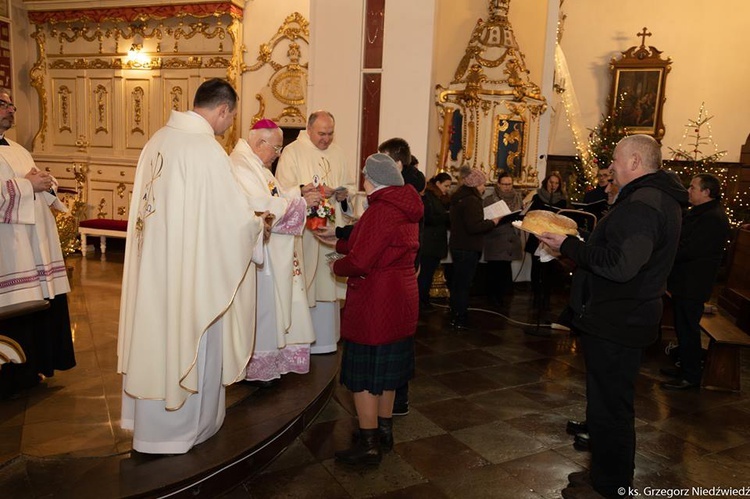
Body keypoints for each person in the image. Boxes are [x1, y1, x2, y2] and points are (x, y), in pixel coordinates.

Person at [117, 78, 266, 454]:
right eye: (229, 118)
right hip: (189, 277)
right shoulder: (205, 149)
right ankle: (185, 430)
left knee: (154, 337)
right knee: (191, 338)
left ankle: (151, 431)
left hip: (155, 268)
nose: (227, 126)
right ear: (222, 109)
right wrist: (257, 224)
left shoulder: (157, 141)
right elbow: (231, 220)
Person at [538, 134, 687, 499]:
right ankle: (604, 477)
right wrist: (581, 243)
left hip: (619, 320)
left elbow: (621, 266)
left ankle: (612, 487)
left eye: (616, 161)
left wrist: (569, 245)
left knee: (611, 411)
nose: (611, 168)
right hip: (624, 317)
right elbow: (622, 251)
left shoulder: (643, 204)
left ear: (635, 162)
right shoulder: (653, 198)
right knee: (605, 407)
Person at [329, 153, 422, 466]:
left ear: (371, 178)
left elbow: (360, 260)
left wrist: (336, 265)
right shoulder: (403, 205)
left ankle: (368, 443)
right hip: (401, 297)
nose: (363, 179)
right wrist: (340, 241)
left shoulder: (382, 210)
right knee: (387, 374)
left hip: (376, 302)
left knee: (366, 375)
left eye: (365, 175)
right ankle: (384, 433)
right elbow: (372, 243)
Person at [229, 119, 322, 387]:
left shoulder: (258, 166)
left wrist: (298, 193)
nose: (278, 154)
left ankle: (270, 360)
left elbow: (275, 193)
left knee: (271, 305)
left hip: (270, 251)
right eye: (277, 148)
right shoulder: (240, 165)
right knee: (262, 307)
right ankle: (257, 364)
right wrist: (300, 204)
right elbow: (260, 206)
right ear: (260, 143)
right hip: (257, 257)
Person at [0, 87, 75, 399]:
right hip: (9, 247)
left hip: (31, 243)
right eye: (3, 104)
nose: (11, 109)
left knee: (37, 306)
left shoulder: (16, 148)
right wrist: (26, 185)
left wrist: (45, 183)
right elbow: (19, 187)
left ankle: (35, 368)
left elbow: (31, 183)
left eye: (11, 104)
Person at [275, 110, 357, 354]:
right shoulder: (292, 152)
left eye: (330, 133)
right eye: (321, 134)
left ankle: (327, 340)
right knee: (309, 281)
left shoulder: (339, 152)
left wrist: (344, 195)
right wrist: (303, 190)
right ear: (309, 130)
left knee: (328, 282)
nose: (326, 139)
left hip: (332, 226)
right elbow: (282, 190)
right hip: (307, 232)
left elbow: (351, 187)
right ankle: (303, 340)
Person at [661, 173, 730, 390]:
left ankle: (691, 376)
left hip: (693, 283)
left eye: (693, 187)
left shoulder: (712, 218)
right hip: (686, 281)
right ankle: (685, 367)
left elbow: (692, 250)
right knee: (682, 327)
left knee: (688, 328)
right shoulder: (701, 213)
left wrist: (667, 253)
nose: (688, 191)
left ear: (706, 192)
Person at [448, 168, 500, 330]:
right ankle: (460, 318)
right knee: (463, 285)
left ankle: (455, 313)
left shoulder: (459, 197)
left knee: (458, 283)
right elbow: (473, 227)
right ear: (476, 184)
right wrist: (493, 222)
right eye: (483, 183)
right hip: (468, 247)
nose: (484, 187)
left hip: (458, 245)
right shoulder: (472, 200)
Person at [524, 171, 568, 310]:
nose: (553, 185)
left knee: (549, 270)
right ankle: (536, 297)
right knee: (536, 269)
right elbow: (531, 215)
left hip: (552, 239)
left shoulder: (562, 200)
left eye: (556, 183)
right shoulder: (537, 197)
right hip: (536, 237)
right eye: (551, 182)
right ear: (546, 182)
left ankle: (546, 299)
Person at [482, 172, 522, 307]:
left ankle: (503, 298)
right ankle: (493, 298)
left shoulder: (517, 198)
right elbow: (485, 218)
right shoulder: (489, 199)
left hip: (511, 237)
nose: (507, 187)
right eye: (504, 184)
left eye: (509, 184)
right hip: (496, 238)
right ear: (498, 184)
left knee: (505, 268)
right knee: (495, 269)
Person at [418, 172, 452, 310]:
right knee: (425, 274)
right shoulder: (429, 196)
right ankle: (421, 300)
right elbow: (429, 217)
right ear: (437, 184)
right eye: (446, 185)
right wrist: (446, 216)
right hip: (429, 242)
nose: (448, 189)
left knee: (428, 273)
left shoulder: (442, 198)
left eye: (450, 186)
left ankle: (424, 299)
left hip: (436, 242)